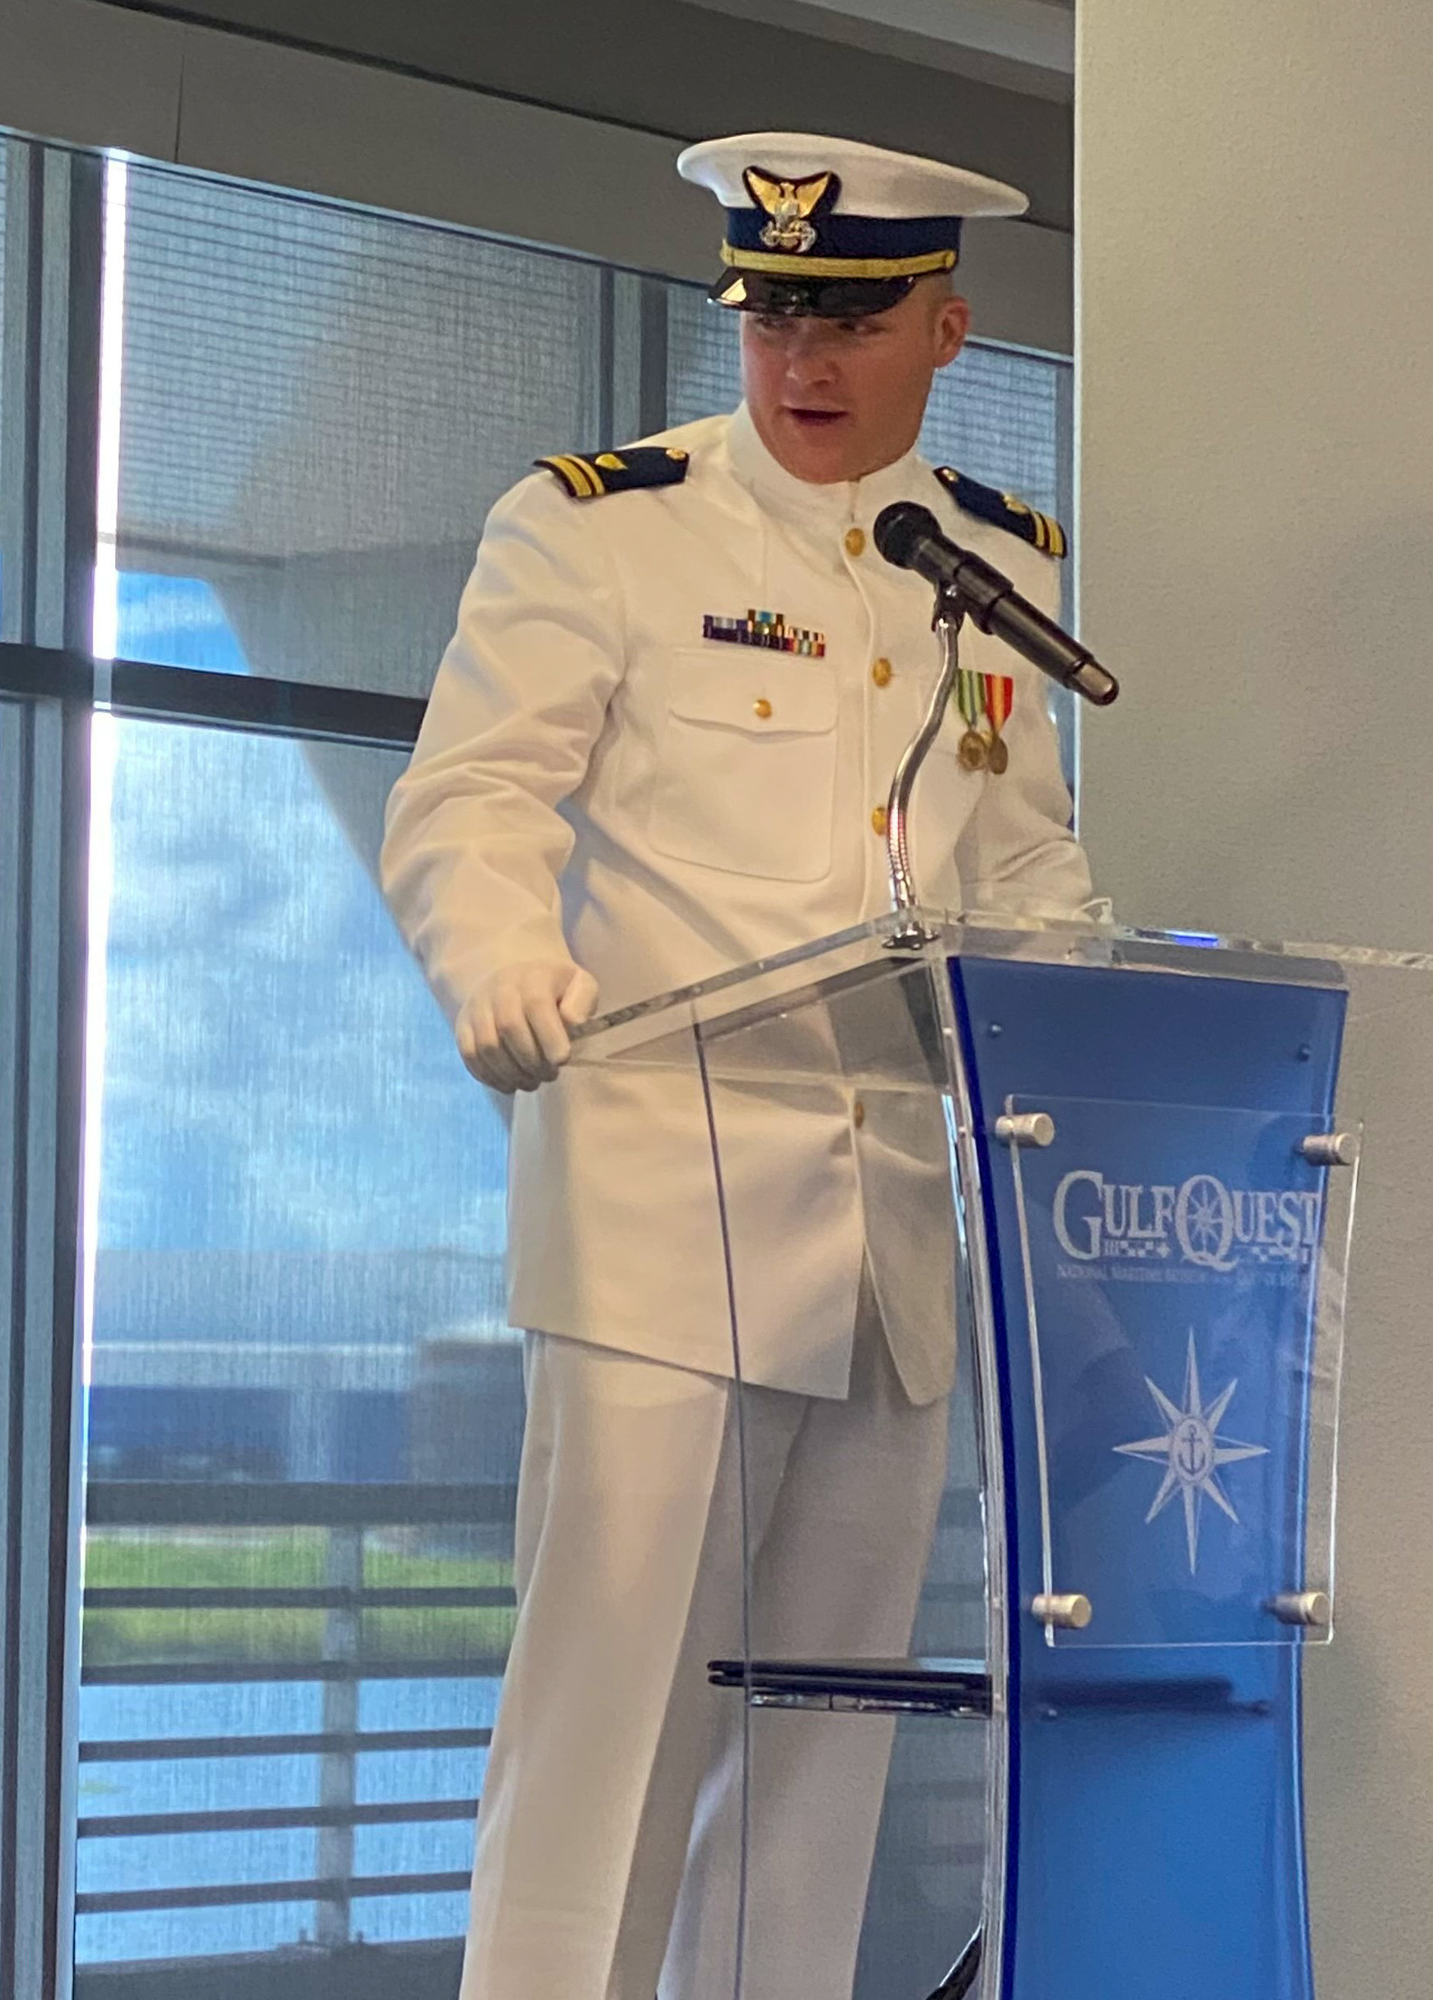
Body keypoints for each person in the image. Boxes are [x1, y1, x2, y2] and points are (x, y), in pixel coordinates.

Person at [381, 131, 1095, 2000]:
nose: (802, 353)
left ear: (946, 321)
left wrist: (1096, 1002)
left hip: (888, 1243)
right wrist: (498, 954)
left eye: (849, 316)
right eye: (774, 308)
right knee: (610, 1748)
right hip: (657, 1218)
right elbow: (469, 796)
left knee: (817, 1758)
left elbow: (1013, 854)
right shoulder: (606, 523)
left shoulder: (991, 560)